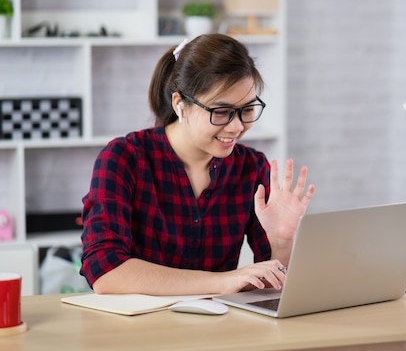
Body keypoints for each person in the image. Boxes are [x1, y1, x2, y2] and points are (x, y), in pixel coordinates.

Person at [80, 33, 315, 296]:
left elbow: (273, 285)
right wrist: (225, 281)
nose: (237, 126)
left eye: (247, 110)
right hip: (141, 329)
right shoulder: (124, 159)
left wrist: (282, 243)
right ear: (180, 104)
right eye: (221, 112)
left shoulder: (252, 168)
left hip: (220, 327)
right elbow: (106, 273)